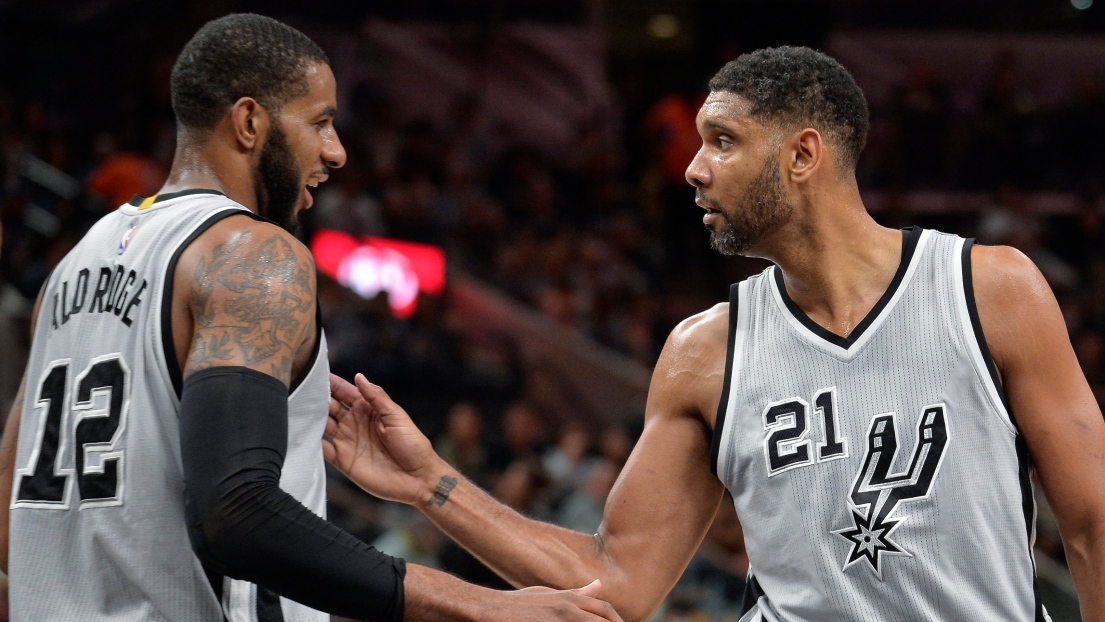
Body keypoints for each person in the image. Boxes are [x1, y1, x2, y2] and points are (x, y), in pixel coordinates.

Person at [326, 46, 1105, 621]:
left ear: (803, 154)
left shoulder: (987, 289)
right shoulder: (705, 351)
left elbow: (1092, 521)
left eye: (722, 140)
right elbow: (619, 579)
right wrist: (430, 483)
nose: (693, 167)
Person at [0, 13, 622, 622]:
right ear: (249, 122)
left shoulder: (74, 264)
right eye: (320, 122)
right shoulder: (251, 252)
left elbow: (9, 515)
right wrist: (482, 604)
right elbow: (237, 514)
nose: (337, 151)